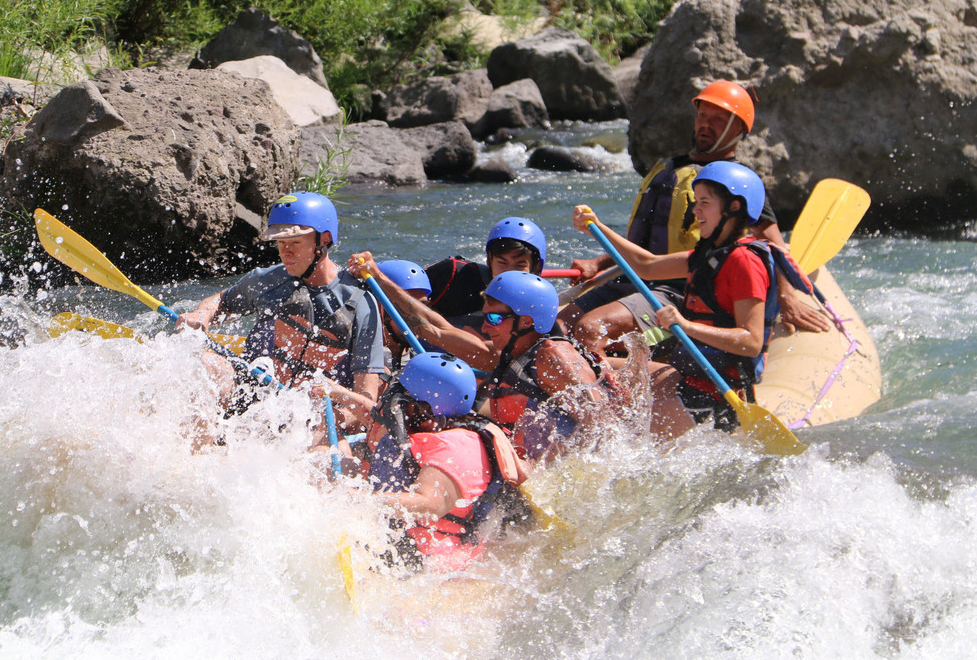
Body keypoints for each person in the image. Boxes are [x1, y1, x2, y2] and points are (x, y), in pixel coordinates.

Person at [559, 80, 828, 357]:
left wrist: (787, 298)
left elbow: (771, 244)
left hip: (679, 287)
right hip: (634, 275)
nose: (706, 125)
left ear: (738, 130)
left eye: (718, 120)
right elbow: (649, 244)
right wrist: (600, 261)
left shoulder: (733, 183)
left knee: (591, 329)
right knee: (558, 326)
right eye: (703, 116)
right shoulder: (672, 167)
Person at [348, 259, 688, 459]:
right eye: (486, 316)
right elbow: (433, 329)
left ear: (526, 321)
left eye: (495, 318)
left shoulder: (554, 356)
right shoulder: (504, 352)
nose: (485, 325)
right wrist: (380, 279)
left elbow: (605, 428)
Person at [572, 161, 811, 431]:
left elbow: (751, 341)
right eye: (696, 201)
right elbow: (646, 265)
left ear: (733, 207)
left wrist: (685, 326)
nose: (695, 209)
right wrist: (597, 226)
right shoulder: (707, 257)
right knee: (584, 364)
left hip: (715, 394)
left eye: (705, 202)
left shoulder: (745, 263)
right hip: (690, 377)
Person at [176, 192, 385, 425]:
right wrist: (201, 315)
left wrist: (332, 414)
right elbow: (220, 302)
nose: (286, 252)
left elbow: (367, 403)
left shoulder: (360, 302)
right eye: (280, 242)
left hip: (309, 414)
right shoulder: (268, 280)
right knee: (206, 364)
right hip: (252, 396)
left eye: (295, 242)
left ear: (324, 239)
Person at [337, 352, 527, 572]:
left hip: (427, 563)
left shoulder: (458, 447)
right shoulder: (438, 426)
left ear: (424, 410)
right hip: (406, 544)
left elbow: (430, 504)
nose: (393, 403)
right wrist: (338, 393)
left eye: (402, 397)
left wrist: (357, 499)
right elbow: (376, 419)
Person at [424, 216, 547, 319]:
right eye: (502, 263)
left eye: (520, 265)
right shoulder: (453, 274)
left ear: (536, 268)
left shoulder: (538, 302)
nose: (509, 273)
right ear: (489, 259)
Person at [376, 259, 432, 371]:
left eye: (423, 306)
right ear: (379, 309)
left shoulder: (424, 357)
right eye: (407, 308)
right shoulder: (347, 356)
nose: (418, 317)